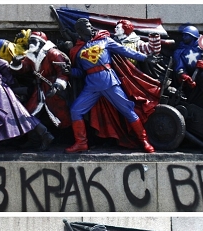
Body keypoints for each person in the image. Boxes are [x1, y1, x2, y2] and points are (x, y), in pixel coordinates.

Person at [65, 18, 159, 154]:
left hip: (109, 81)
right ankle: (81, 143)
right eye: (87, 26)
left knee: (127, 110)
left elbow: (125, 51)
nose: (91, 27)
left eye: (90, 24)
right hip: (91, 85)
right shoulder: (76, 50)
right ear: (79, 31)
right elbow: (80, 72)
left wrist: (144, 58)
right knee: (75, 110)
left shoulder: (105, 40)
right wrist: (69, 71)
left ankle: (144, 141)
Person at [9, 31, 72, 130]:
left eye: (34, 41)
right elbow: (24, 67)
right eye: (30, 41)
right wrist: (17, 63)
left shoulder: (53, 53)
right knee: (30, 112)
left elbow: (62, 72)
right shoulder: (31, 55)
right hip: (40, 89)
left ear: (41, 42)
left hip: (53, 88)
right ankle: (36, 139)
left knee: (61, 113)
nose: (31, 44)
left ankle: (65, 136)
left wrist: (57, 86)